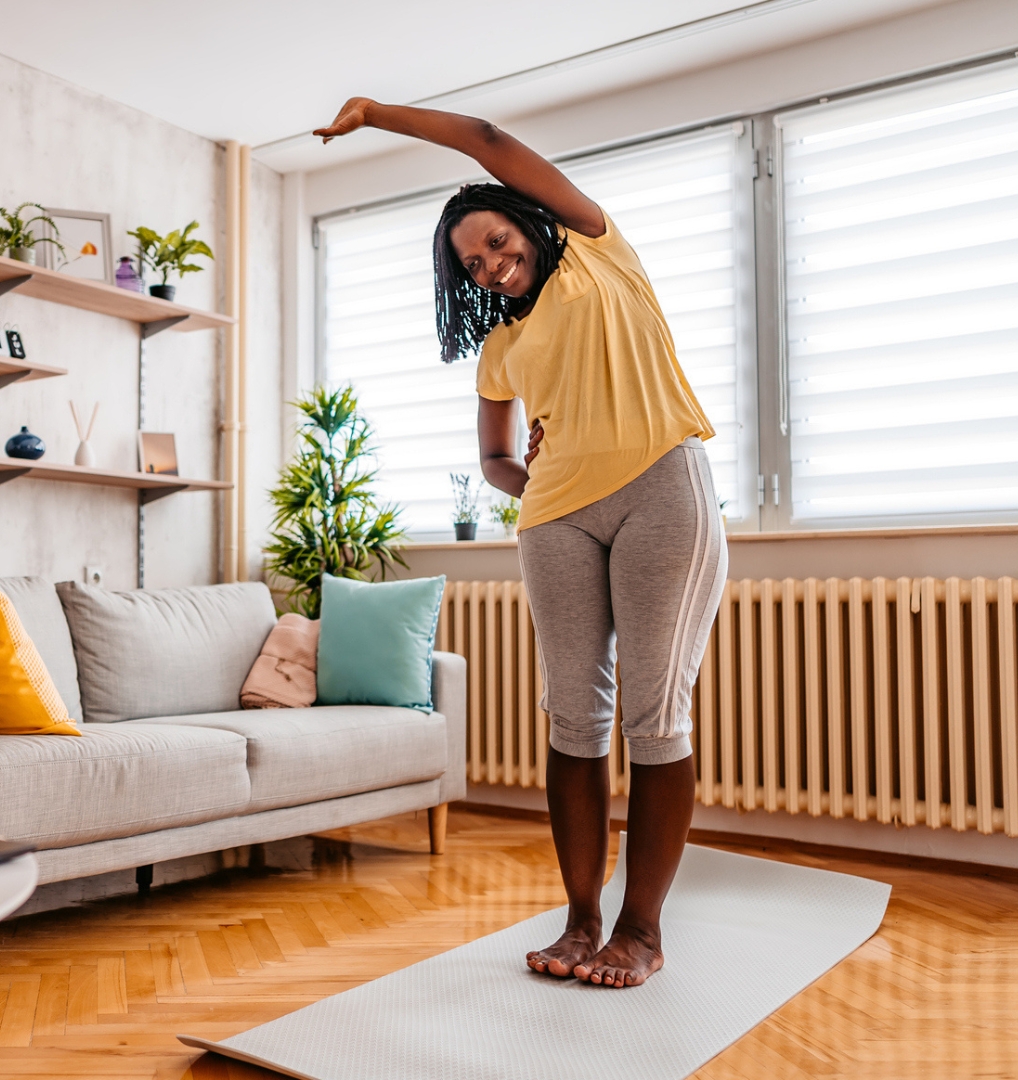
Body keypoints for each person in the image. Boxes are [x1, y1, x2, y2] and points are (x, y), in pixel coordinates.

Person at [315, 99, 725, 988]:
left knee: (655, 717)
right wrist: (528, 481)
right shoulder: (500, 345)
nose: (493, 264)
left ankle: (641, 930)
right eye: (473, 262)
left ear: (528, 223)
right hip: (556, 520)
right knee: (574, 718)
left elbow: (487, 142)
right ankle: (581, 922)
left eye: (497, 241)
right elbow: (496, 459)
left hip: (662, 488)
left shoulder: (596, 249)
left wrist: (377, 113)